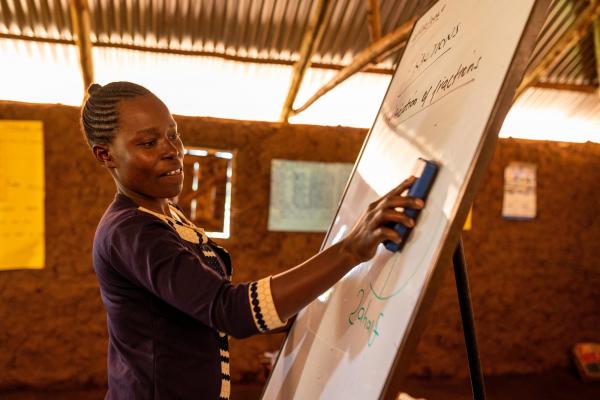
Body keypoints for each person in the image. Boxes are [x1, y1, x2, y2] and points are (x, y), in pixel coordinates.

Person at [81, 81, 424, 400]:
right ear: (105, 155)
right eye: (148, 143)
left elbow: (195, 309)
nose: (173, 151)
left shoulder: (165, 214)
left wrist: (313, 317)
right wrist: (350, 249)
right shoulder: (131, 231)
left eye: (173, 134)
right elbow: (228, 310)